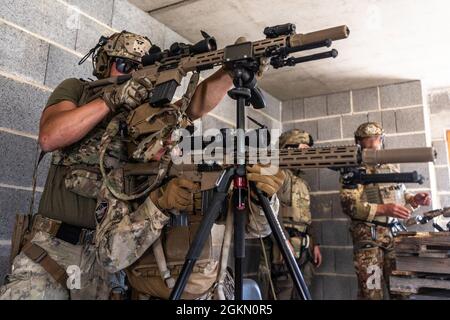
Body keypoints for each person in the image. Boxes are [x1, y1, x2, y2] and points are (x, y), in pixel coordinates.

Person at [0, 29, 234, 300]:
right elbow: (50, 136)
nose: (131, 74)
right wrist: (112, 99)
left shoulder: (146, 115)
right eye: (123, 65)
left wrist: (230, 72)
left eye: (139, 68)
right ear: (103, 65)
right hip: (52, 250)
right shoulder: (80, 90)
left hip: (113, 259)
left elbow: (192, 106)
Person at [340, 122, 431, 300]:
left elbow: (399, 194)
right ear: (359, 143)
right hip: (369, 239)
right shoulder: (353, 168)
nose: (375, 143)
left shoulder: (390, 165)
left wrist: (414, 200)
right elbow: (349, 205)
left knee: (402, 290)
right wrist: (385, 209)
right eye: (369, 139)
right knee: (372, 294)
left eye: (378, 138)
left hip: (394, 237)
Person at [258, 129, 322, 300]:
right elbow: (271, 210)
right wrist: (283, 239)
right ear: (289, 148)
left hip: (304, 247)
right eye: (303, 149)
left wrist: (315, 244)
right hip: (283, 246)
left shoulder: (302, 182)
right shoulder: (278, 175)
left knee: (303, 291)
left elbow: (308, 215)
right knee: (283, 291)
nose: (307, 154)